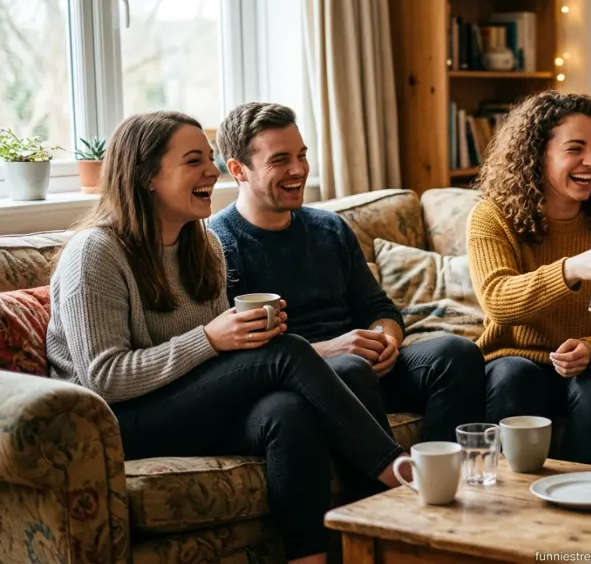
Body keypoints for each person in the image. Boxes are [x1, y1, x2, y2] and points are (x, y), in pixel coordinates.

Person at [45, 112, 405, 564]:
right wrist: (211, 339)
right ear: (147, 175)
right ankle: (392, 469)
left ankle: (311, 558)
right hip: (120, 423)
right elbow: (103, 378)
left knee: (286, 411)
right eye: (194, 161)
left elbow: (219, 369)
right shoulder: (96, 253)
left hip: (184, 406)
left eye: (210, 158)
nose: (212, 172)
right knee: (288, 351)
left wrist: (243, 339)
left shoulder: (203, 245)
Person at [208, 102, 485, 443]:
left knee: (457, 354)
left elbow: (378, 307)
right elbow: (239, 354)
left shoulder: (329, 227)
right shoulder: (217, 245)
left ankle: (443, 479)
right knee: (349, 369)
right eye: (280, 160)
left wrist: (385, 340)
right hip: (300, 382)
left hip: (364, 367)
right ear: (238, 169)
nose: (298, 170)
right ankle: (387, 486)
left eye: (302, 155)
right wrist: (328, 351)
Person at [466, 90, 591, 468]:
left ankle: (586, 499)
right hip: (514, 358)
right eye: (575, 149)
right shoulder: (492, 217)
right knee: (516, 377)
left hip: (590, 364)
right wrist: (569, 270)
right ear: (537, 155)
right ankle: (505, 505)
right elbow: (497, 300)